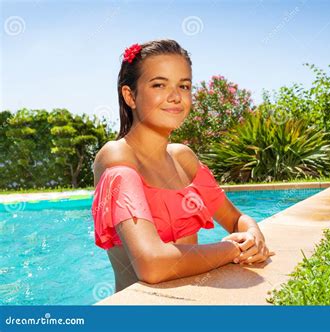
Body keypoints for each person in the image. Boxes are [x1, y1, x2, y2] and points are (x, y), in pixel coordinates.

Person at [91, 39, 274, 292]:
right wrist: (231, 249)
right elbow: (152, 264)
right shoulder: (117, 156)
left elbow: (237, 220)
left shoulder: (183, 158)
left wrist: (253, 237)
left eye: (184, 85)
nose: (176, 96)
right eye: (159, 84)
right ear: (130, 95)